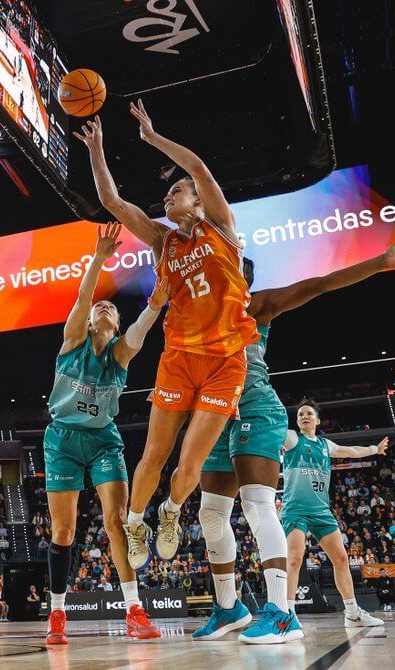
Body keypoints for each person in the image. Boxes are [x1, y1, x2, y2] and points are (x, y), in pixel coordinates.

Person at [193, 238, 395, 643]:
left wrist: (381, 260)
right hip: (216, 415)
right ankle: (229, 608)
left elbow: (322, 283)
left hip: (257, 409)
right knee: (210, 514)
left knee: (257, 502)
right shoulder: (200, 315)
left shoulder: (257, 304)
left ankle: (281, 613)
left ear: (240, 276)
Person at [76, 105, 258, 570]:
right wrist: (97, 149)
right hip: (179, 356)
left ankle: (172, 512)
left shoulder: (219, 225)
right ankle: (137, 522)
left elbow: (197, 169)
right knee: (154, 454)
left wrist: (152, 136)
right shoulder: (162, 241)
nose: (168, 197)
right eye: (167, 193)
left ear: (198, 202)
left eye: (175, 192)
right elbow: (114, 203)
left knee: (189, 468)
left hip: (225, 361)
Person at [42, 223, 169, 645]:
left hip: (102, 441)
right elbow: (82, 298)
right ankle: (57, 615)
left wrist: (153, 305)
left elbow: (141, 331)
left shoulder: (121, 352)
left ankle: (135, 609)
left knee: (115, 522)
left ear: (115, 326)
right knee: (64, 533)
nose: (103, 308)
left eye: (111, 309)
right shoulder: (73, 340)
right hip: (61, 439)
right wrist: (99, 258)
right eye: (101, 307)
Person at [283, 403, 386, 633]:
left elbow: (351, 451)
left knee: (341, 559)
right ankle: (288, 615)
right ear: (297, 421)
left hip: (321, 511)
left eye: (309, 414)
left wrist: (374, 449)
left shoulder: (325, 445)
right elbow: (271, 432)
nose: (305, 416)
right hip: (295, 510)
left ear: (318, 421)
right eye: (301, 414)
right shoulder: (291, 439)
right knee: (294, 560)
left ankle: (352, 613)